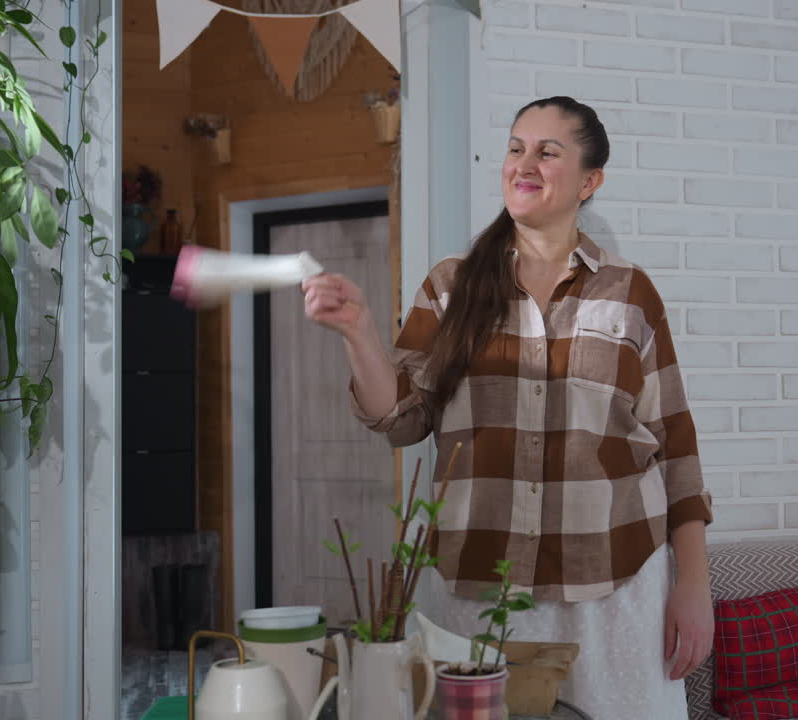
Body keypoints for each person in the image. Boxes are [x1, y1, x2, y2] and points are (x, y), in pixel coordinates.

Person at [303, 96, 713, 718]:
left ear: (589, 182)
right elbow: (402, 419)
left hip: (614, 588)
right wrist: (359, 333)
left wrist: (694, 585)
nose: (524, 163)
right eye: (517, 147)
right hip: (477, 589)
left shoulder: (629, 293)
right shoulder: (451, 286)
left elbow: (676, 447)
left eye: (548, 152)